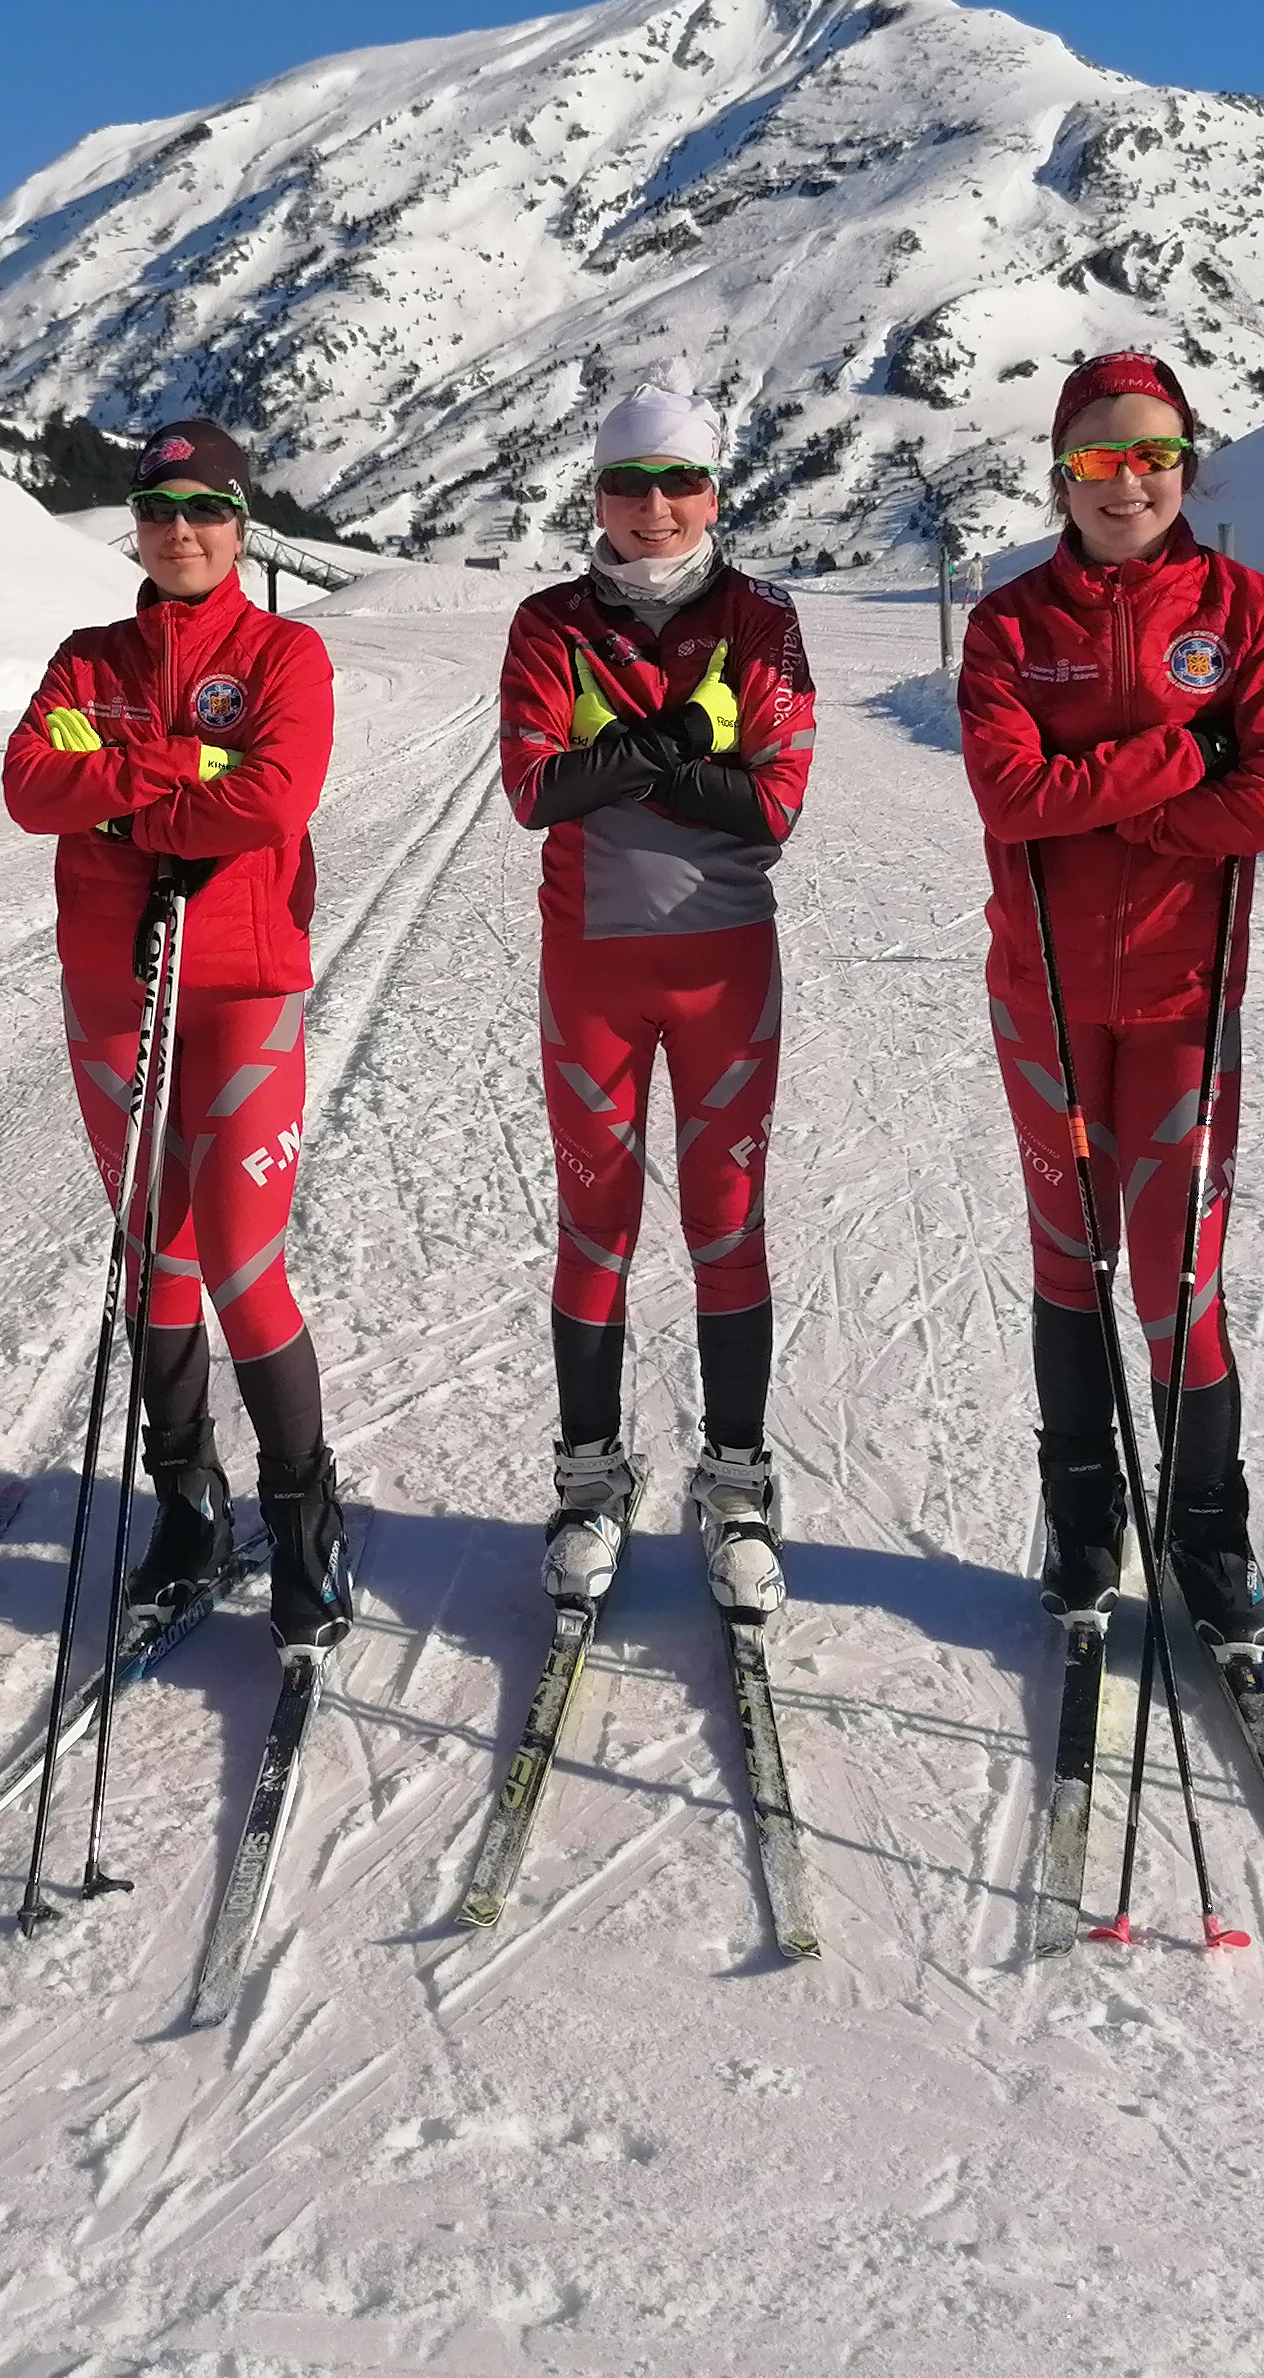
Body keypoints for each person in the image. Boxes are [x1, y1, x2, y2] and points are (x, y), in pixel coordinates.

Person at [957, 354, 1264, 1640]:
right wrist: (1185, 755)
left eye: (1152, 455)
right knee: (1070, 1260)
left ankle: (1207, 1527)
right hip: (1045, 998)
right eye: (1097, 458)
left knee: (1176, 1277)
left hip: (1184, 1002)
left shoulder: (1250, 614)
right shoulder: (1009, 624)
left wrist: (1112, 809)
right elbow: (1011, 799)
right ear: (1060, 474)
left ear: (1187, 464)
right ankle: (1084, 1509)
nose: (1126, 482)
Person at [2, 417, 350, 1648]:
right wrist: (181, 761)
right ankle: (188, 1506)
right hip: (115, 983)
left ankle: (303, 1522)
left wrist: (114, 792)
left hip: (243, 982)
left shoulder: (284, 652)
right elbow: (27, 785)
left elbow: (272, 800)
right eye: (158, 511)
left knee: (243, 1264)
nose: (181, 531)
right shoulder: (87, 656)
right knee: (155, 1253)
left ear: (240, 526)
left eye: (205, 510)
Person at [494, 386, 818, 1617]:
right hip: (594, 967)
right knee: (595, 1227)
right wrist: (693, 733)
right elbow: (534, 791)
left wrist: (619, 753)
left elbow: (771, 806)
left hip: (723, 963)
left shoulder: (761, 619)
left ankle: (736, 1487)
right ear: (597, 495)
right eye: (628, 484)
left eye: (678, 481)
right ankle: (588, 1483)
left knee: (727, 1227)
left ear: (713, 492)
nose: (654, 508)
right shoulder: (549, 622)